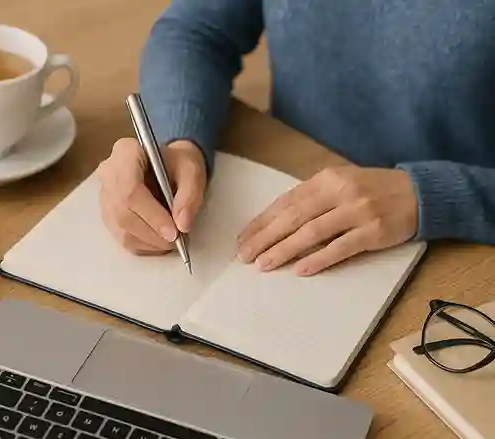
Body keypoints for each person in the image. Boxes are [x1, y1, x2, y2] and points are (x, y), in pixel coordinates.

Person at [95, 0, 495, 276]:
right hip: (287, 179)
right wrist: (178, 142)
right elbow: (196, 29)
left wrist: (433, 195)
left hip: (459, 254)